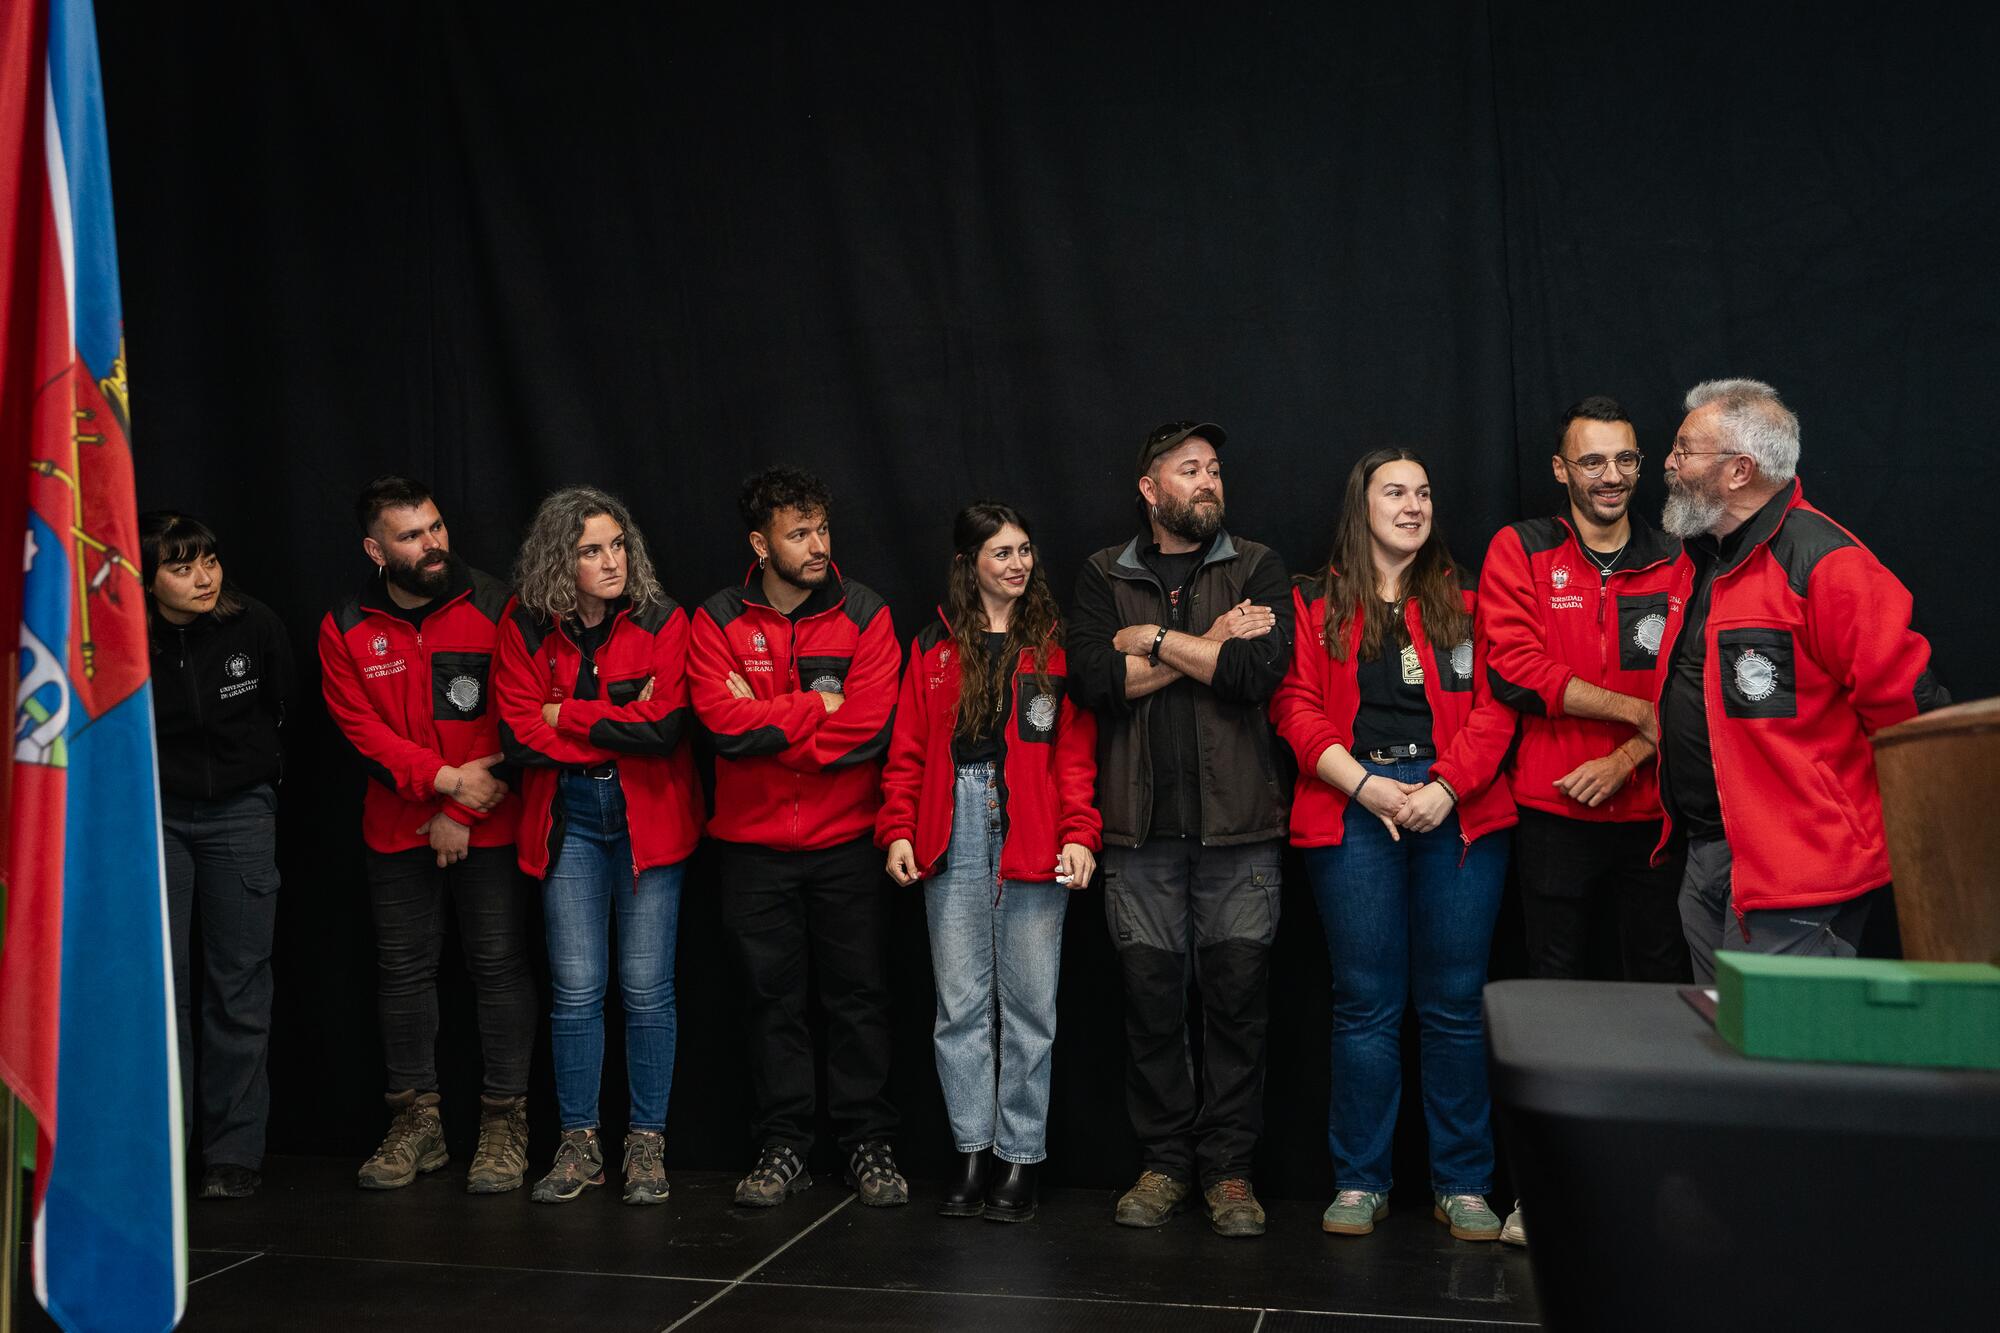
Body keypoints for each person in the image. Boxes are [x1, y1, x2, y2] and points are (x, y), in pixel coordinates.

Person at [1272, 448, 1516, 1244]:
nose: (1413, 505)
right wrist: (1366, 788)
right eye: (1395, 492)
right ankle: (1360, 1180)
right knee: (1366, 1003)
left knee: (1452, 1004)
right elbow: (1295, 707)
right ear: (1361, 505)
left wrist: (1446, 787)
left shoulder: (1468, 601)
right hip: (1353, 806)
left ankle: (1464, 1183)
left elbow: (1497, 707)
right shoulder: (1315, 604)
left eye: (1424, 492)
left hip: (1458, 807)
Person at [1067, 421, 1293, 1238]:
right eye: (1190, 469)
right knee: (1152, 1005)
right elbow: (1094, 680)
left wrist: (1154, 642)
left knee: (1238, 1005)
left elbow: (1251, 675)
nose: (1208, 481)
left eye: (1215, 469)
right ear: (1149, 488)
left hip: (1240, 835)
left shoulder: (1257, 565)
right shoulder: (1102, 573)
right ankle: (1165, 1163)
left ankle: (1229, 1173)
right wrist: (1203, 646)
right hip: (1139, 838)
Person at [1476, 396, 1688, 1249]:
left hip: (1653, 814)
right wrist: (1631, 716)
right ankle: (1543, 1191)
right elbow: (1515, 667)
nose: (1611, 477)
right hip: (1552, 810)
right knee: (1554, 998)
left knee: (1659, 999)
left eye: (1625, 460)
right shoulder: (1519, 547)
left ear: (1641, 467)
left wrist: (1629, 754)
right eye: (1592, 462)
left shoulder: (1678, 554)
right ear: (1562, 470)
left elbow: (1689, 681)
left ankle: (1656, 1186)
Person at [1654, 379, 1948, 982]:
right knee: (1722, 1051)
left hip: (1802, 873)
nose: (1669, 463)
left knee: (1787, 1063)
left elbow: (1914, 718)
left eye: (1684, 450)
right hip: (1712, 857)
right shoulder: (1703, 558)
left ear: (1739, 471)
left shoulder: (1829, 564)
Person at [688, 466, 908, 1208]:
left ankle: (867, 1143)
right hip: (751, 850)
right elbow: (721, 727)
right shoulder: (715, 617)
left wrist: (772, 715)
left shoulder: (866, 612)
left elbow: (869, 730)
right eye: (799, 533)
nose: (818, 545)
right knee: (768, 1000)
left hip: (847, 844)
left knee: (859, 998)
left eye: (822, 529)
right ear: (760, 542)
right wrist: (817, 703)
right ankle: (783, 1142)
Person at [878, 503, 1102, 1223]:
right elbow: (909, 749)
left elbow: (1074, 755)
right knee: (959, 1005)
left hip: (1032, 827)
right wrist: (898, 830)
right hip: (953, 826)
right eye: (1001, 552)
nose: (1017, 563)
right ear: (969, 562)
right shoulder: (934, 646)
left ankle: (1020, 1158)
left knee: (1031, 1004)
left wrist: (1080, 832)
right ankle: (972, 1147)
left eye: (1025, 550)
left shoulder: (1054, 646)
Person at [318, 476, 536, 1194]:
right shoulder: (344, 623)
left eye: (436, 527)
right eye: (411, 535)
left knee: (499, 968)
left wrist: (463, 808)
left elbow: (516, 721)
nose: (431, 543)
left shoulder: (500, 603)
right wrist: (444, 783)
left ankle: (505, 1122)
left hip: (491, 822)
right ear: (375, 549)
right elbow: (363, 734)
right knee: (403, 975)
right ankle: (418, 1121)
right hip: (397, 826)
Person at [494, 487, 704, 1205]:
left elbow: (665, 727)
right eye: (591, 550)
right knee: (576, 990)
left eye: (617, 544)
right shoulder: (523, 625)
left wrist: (572, 713)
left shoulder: (662, 617)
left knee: (647, 991)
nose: (612, 561)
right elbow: (520, 733)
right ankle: (578, 1142)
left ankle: (647, 1143)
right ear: (560, 559)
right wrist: (617, 714)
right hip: (569, 817)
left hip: (649, 816)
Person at [142, 512, 294, 1200]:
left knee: (238, 985)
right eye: (180, 565)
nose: (202, 577)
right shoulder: (122, 638)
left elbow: (282, 707)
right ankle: (161, 1151)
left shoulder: (253, 624)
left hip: (240, 812)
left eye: (208, 559)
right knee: (160, 990)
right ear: (146, 579)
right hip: (154, 816)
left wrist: (258, 783)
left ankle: (233, 1154)